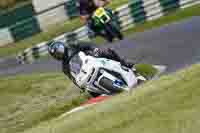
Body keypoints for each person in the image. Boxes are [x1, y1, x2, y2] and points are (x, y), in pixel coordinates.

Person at [48, 41, 134, 89]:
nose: (60, 53)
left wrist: (94, 49)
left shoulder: (73, 45)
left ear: (62, 46)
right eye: (57, 54)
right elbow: (72, 77)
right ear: (55, 57)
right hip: (84, 73)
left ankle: (123, 62)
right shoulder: (65, 67)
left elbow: (88, 45)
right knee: (89, 90)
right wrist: (79, 85)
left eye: (59, 50)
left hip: (91, 58)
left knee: (106, 53)